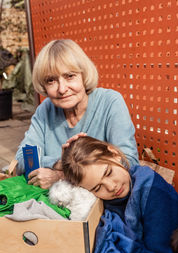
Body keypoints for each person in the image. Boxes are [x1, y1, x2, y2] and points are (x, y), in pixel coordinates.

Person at [15, 39, 139, 189]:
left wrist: (63, 174)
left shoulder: (110, 102)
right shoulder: (45, 110)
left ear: (83, 74)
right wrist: (58, 162)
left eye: (69, 76)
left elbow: (129, 161)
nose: (62, 89)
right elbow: (23, 158)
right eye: (51, 80)